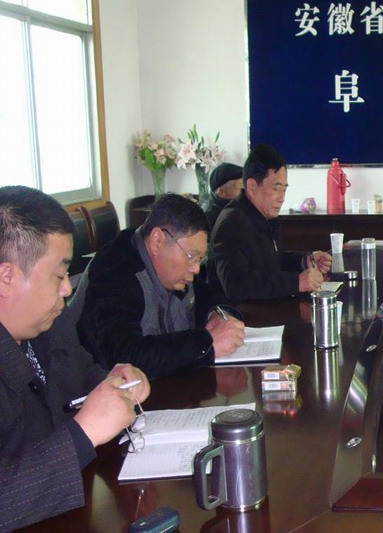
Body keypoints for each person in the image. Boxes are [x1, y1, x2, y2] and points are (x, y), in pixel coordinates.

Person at [0, 186, 150, 531]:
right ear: (7, 277)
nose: (67, 288)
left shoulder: (52, 324)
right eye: (58, 275)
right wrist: (84, 433)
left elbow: (82, 375)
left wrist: (115, 385)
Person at [73, 194, 244, 380]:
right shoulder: (114, 272)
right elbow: (125, 356)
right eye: (191, 256)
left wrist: (217, 314)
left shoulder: (175, 270)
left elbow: (205, 294)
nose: (196, 269)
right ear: (157, 241)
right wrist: (206, 345)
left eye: (200, 259)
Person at [207, 144, 332, 303]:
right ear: (252, 187)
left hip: (265, 309)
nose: (282, 198)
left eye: (284, 190)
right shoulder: (232, 223)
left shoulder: (265, 216)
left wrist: (305, 260)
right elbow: (236, 285)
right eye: (276, 189)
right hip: (239, 314)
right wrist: (296, 282)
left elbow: (271, 262)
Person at [204, 162, 243, 230]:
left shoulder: (234, 206)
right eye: (239, 187)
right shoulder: (209, 218)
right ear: (221, 192)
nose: (244, 192)